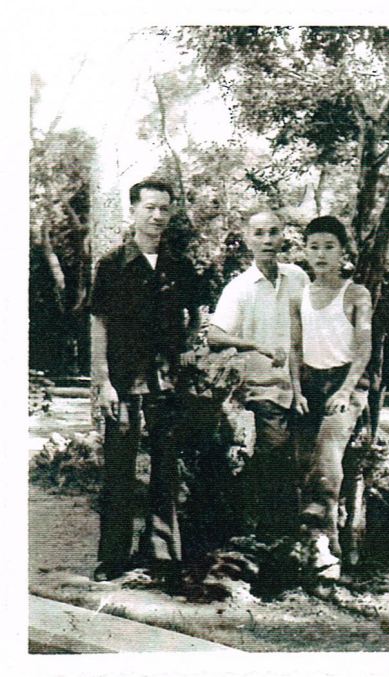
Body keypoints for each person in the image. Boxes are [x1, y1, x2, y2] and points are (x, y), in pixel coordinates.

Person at [90, 179, 201, 583]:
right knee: (119, 470)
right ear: (133, 211)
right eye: (150, 208)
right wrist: (103, 381)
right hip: (123, 381)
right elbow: (99, 323)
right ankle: (113, 558)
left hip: (166, 382)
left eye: (164, 209)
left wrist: (187, 346)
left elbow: (196, 315)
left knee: (165, 468)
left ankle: (161, 555)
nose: (157, 216)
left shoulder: (179, 266)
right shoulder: (112, 265)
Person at [208, 210, 309, 541]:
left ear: (284, 236)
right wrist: (253, 345)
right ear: (248, 239)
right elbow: (214, 335)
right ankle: (272, 540)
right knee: (276, 459)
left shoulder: (298, 277)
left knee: (309, 462)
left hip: (304, 387)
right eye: (259, 233)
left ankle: (302, 541)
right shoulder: (239, 288)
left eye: (273, 232)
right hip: (264, 391)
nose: (267, 240)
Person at [289, 215, 372, 579]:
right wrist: (296, 390)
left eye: (329, 247)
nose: (321, 255)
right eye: (314, 247)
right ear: (305, 251)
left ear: (342, 252)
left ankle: (324, 545)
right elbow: (294, 348)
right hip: (309, 383)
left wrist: (346, 391)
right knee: (302, 460)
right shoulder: (299, 295)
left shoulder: (356, 293)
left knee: (327, 455)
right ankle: (322, 543)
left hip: (346, 383)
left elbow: (364, 349)